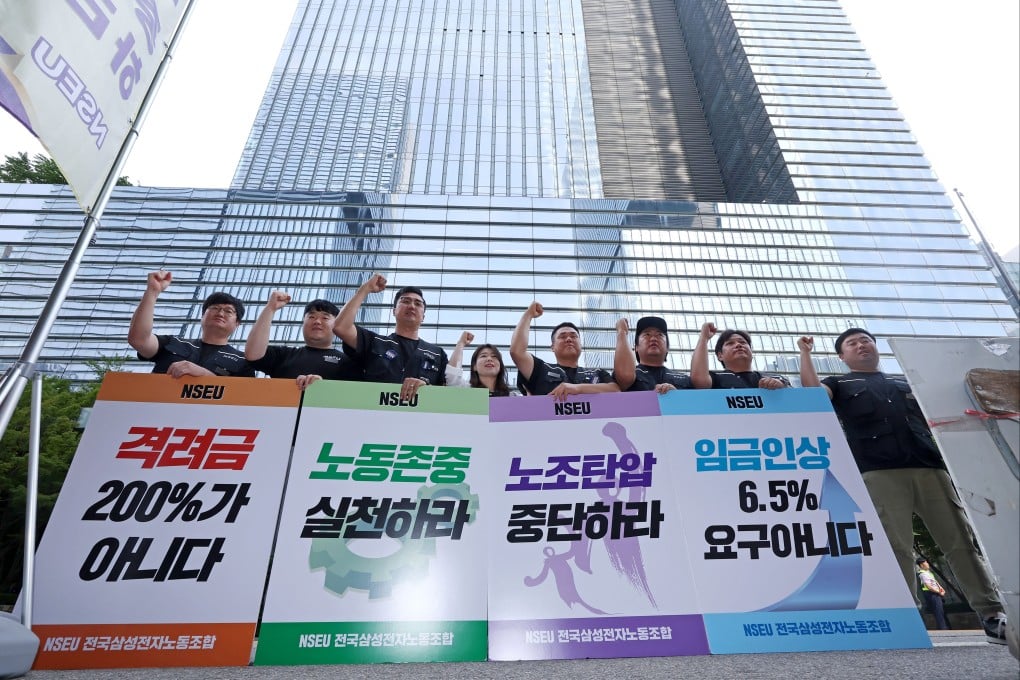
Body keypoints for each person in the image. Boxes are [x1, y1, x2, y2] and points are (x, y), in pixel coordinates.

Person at [798, 328, 1008, 644]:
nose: (861, 345)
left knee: (961, 542)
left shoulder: (905, 381)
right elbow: (812, 394)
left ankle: (992, 615)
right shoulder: (839, 384)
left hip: (930, 467)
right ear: (842, 357)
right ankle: (905, 618)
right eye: (852, 344)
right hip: (879, 471)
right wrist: (805, 354)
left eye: (866, 340)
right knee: (896, 547)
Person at [332, 273, 448, 402]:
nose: (412, 306)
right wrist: (364, 289)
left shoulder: (438, 353)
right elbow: (340, 327)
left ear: (423, 317)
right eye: (405, 301)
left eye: (418, 304)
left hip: (419, 418)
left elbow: (447, 394)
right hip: (374, 414)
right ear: (394, 311)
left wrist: (427, 388)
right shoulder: (375, 342)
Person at [128, 270, 253, 378]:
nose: (220, 313)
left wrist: (204, 375)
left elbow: (244, 398)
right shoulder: (172, 343)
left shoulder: (242, 361)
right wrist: (152, 292)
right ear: (202, 316)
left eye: (228, 311)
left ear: (237, 323)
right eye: (214, 308)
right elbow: (138, 340)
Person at [244, 291, 360, 390]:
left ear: (336, 324)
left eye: (325, 317)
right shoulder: (284, 355)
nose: (317, 321)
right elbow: (253, 354)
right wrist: (270, 308)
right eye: (311, 317)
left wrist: (323, 387)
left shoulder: (347, 362)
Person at [509, 301, 623, 399]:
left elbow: (615, 390)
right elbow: (517, 352)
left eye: (574, 336)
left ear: (580, 344)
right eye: (562, 337)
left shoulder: (597, 373)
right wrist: (528, 314)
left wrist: (577, 389)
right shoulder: (540, 370)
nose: (569, 339)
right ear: (552, 347)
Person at [690, 323, 790, 389]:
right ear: (720, 356)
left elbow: (797, 396)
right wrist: (704, 338)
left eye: (743, 342)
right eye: (730, 343)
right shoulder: (716, 379)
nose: (738, 345)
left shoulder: (773, 377)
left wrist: (781, 388)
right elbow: (699, 380)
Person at [613, 316, 692, 393]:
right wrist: (622, 332)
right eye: (647, 334)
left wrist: (676, 396)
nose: (653, 338)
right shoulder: (628, 374)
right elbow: (624, 376)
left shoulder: (684, 379)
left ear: (667, 347)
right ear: (636, 347)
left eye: (659, 335)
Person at [917, 557, 950, 630]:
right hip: (931, 594)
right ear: (921, 565)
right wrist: (939, 592)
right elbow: (929, 586)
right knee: (938, 612)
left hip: (936, 593)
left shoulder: (928, 573)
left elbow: (935, 582)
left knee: (941, 611)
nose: (928, 564)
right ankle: (943, 628)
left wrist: (941, 589)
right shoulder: (923, 574)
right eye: (926, 563)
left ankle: (945, 627)